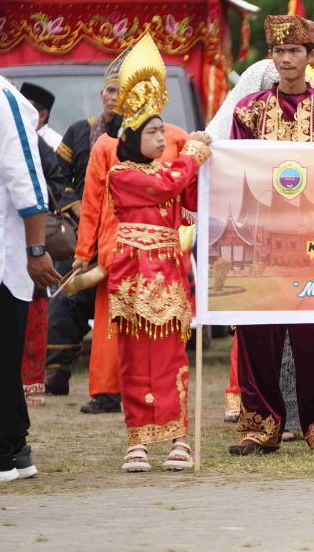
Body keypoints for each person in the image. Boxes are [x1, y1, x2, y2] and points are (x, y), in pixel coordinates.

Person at [229, 14, 314, 456]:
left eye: (294, 52)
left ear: (310, 57)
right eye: (279, 52)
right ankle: (259, 424)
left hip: (313, 240)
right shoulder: (247, 111)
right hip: (261, 238)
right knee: (257, 333)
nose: (286, 59)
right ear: (271, 56)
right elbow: (235, 171)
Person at [100, 34, 212, 472]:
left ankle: (177, 438)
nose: (162, 137)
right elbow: (166, 186)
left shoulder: (172, 170)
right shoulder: (122, 173)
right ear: (131, 137)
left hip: (167, 274)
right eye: (152, 132)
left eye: (163, 130)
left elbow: (192, 202)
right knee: (133, 360)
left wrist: (204, 169)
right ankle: (138, 443)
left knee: (171, 358)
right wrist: (195, 155)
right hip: (132, 275)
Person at [206, 58, 314, 425]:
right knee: (260, 329)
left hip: (304, 238)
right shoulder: (243, 120)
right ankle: (262, 416)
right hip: (258, 235)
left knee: (305, 333)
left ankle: (301, 416)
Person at [45, 60, 127, 407]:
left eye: (121, 92)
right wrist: (78, 206)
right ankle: (57, 372)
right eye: (110, 91)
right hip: (84, 232)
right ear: (101, 94)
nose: (114, 97)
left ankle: (120, 385)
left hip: (124, 237)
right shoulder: (80, 131)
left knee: (121, 311)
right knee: (70, 300)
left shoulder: (138, 134)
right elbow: (58, 175)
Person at [0, 76, 61, 482]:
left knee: (2, 355)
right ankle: (16, 447)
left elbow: (27, 178)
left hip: (5, 254)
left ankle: (4, 452)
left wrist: (36, 249)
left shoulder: (3, 97)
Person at [19, 81, 67, 405]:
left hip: (33, 235)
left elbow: (60, 186)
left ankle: (32, 382)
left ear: (41, 115)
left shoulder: (42, 146)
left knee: (34, 306)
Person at [19, 82, 61, 149]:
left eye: (24, 109)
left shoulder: (56, 145)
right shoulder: (10, 135)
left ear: (42, 116)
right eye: (17, 107)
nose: (18, 113)